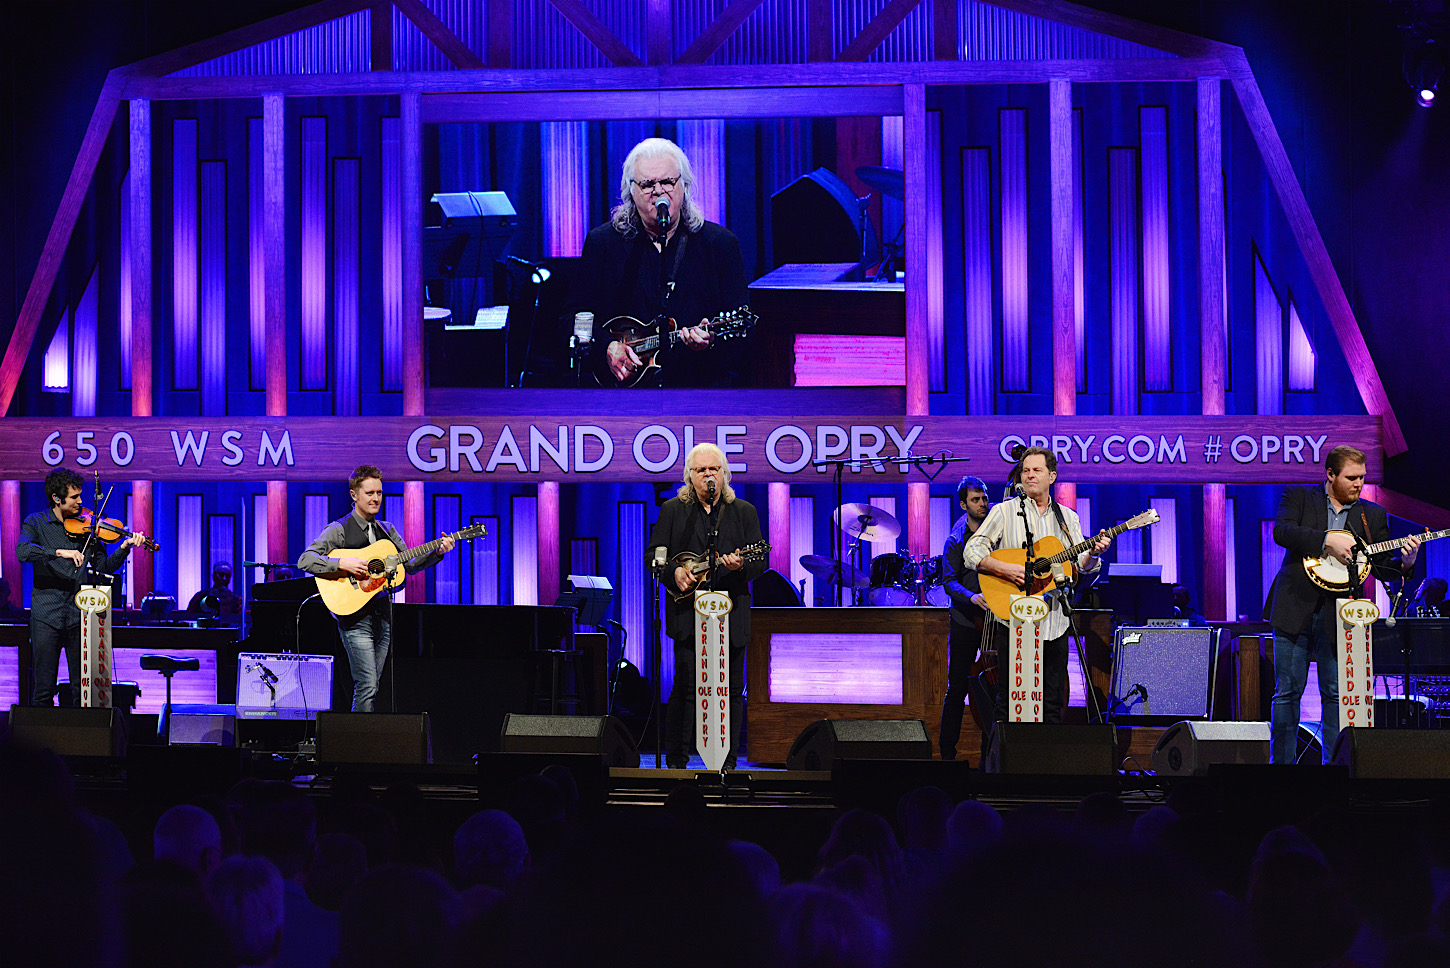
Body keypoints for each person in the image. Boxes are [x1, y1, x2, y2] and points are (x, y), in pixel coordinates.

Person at [1267, 445, 1417, 764]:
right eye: (1351, 477)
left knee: (1336, 695)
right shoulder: (1299, 497)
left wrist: (1406, 563)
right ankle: (1280, 773)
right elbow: (1282, 531)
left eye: (1362, 477)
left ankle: (1333, 775)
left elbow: (1379, 567)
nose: (1358, 484)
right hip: (1295, 608)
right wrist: (1326, 540)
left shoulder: (1372, 514)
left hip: (1342, 615)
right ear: (1331, 474)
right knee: (1287, 693)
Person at [568, 137, 751, 388]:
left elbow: (744, 332)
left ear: (684, 186)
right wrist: (606, 347)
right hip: (624, 396)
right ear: (630, 191)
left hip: (699, 389)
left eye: (667, 182)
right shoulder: (603, 243)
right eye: (647, 184)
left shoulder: (720, 244)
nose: (658, 191)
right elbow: (574, 317)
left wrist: (711, 341)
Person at [962, 447, 1109, 724]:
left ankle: (1047, 764)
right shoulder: (1005, 511)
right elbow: (972, 551)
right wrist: (1004, 568)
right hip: (1013, 622)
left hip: (1055, 622)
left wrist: (1094, 553)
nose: (1029, 475)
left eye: (1036, 470)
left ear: (1052, 476)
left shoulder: (1068, 518)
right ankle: (1005, 764)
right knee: (1007, 705)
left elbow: (1082, 565)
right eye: (1025, 470)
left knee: (1053, 704)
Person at [297, 465, 454, 713]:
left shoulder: (387, 530)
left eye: (379, 493)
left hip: (383, 616)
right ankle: (358, 746)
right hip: (355, 619)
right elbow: (305, 560)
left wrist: (436, 552)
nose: (376, 498)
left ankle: (363, 740)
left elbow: (409, 564)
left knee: (374, 685)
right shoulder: (338, 529)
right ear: (354, 495)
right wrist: (341, 563)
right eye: (369, 493)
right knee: (367, 684)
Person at [648, 442, 766, 768]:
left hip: (731, 612)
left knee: (730, 689)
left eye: (714, 469)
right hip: (689, 612)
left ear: (724, 474)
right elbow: (655, 555)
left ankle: (726, 763)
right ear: (689, 477)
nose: (708, 475)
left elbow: (762, 561)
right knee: (686, 686)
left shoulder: (744, 512)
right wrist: (672, 572)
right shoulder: (673, 510)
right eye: (701, 470)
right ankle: (676, 763)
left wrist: (741, 566)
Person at [16, 468, 145, 706]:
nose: (81, 502)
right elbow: (22, 551)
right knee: (43, 690)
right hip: (46, 615)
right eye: (74, 497)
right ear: (57, 498)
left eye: (80, 496)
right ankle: (42, 741)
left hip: (79, 617)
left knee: (82, 691)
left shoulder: (90, 527)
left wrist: (125, 547)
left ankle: (80, 741)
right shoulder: (36, 522)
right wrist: (57, 552)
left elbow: (104, 566)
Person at [939, 475, 991, 760]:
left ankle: (989, 754)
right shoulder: (955, 540)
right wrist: (972, 597)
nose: (982, 503)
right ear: (963, 504)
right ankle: (947, 753)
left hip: (993, 621)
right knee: (957, 688)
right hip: (964, 620)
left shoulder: (996, 535)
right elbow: (949, 582)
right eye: (975, 499)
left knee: (992, 689)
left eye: (984, 498)